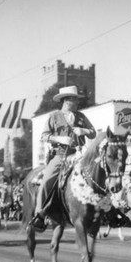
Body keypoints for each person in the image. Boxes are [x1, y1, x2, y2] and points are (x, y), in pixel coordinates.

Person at [31, 85, 96, 232]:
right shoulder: (54, 117)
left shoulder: (81, 117)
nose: (77, 102)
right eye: (74, 99)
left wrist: (84, 130)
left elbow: (92, 133)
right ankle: (40, 214)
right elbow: (44, 136)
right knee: (47, 180)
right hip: (61, 155)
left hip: (78, 155)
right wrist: (60, 139)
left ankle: (101, 210)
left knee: (94, 175)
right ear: (66, 100)